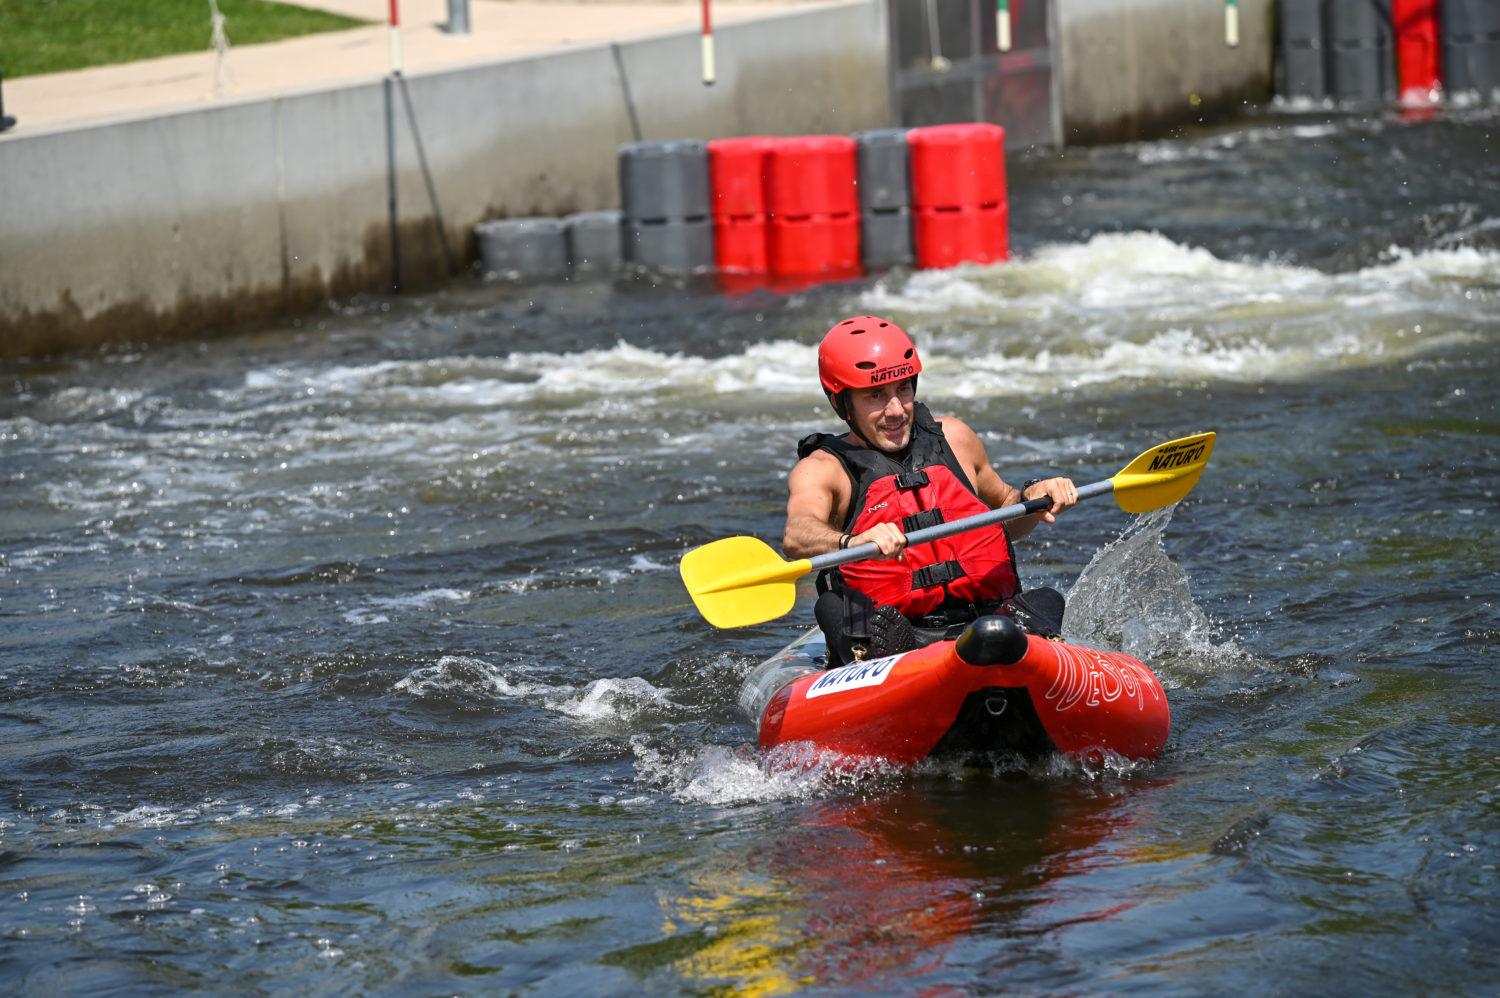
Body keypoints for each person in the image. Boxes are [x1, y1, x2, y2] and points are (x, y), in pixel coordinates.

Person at [783, 315, 1080, 665]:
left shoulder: (954, 438)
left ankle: (1013, 650)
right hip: (892, 630)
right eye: (876, 395)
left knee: (1044, 601)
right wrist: (853, 542)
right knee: (835, 608)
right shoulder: (823, 469)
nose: (896, 410)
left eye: (903, 389)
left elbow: (1006, 511)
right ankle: (888, 657)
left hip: (983, 621)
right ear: (841, 402)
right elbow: (797, 535)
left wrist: (1034, 497)